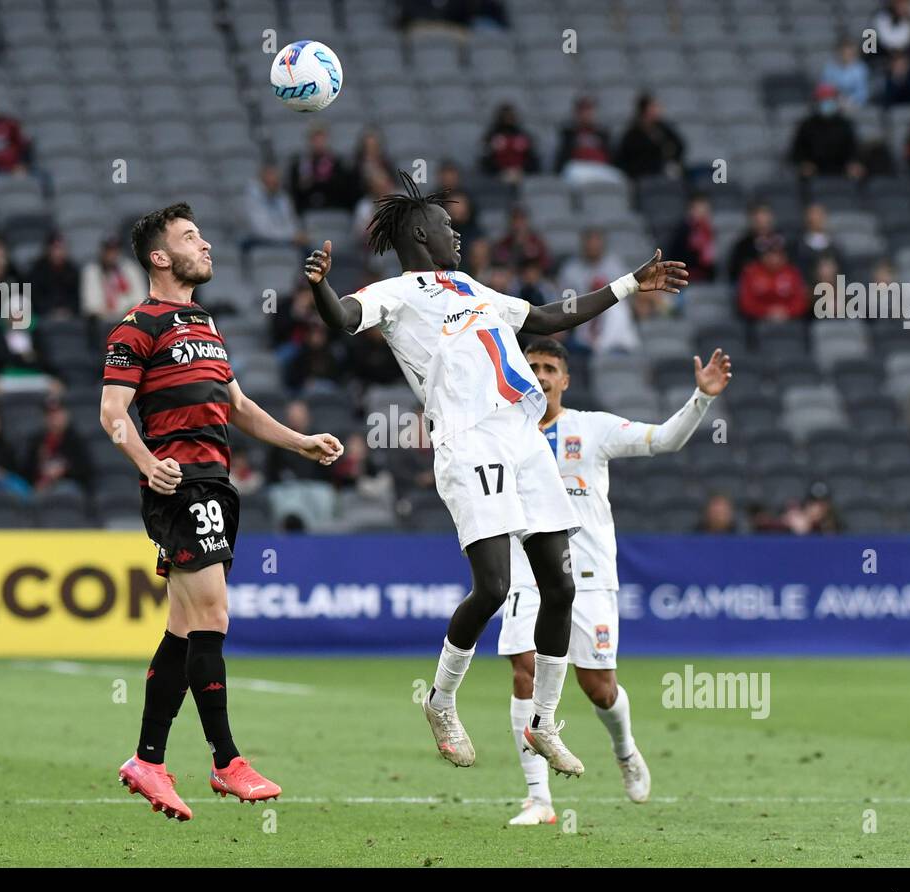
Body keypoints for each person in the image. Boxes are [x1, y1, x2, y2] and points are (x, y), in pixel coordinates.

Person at [303, 170, 689, 777]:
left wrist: (628, 284)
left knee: (560, 586)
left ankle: (543, 722)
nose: (457, 234)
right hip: (467, 441)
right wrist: (322, 289)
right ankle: (441, 700)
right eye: (447, 226)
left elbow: (548, 317)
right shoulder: (397, 293)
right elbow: (342, 315)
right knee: (494, 587)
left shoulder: (472, 288)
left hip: (523, 437)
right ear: (421, 232)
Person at [101, 203, 343, 820]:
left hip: (217, 484)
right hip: (181, 487)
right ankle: (226, 760)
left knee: (184, 630)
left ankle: (148, 761)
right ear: (160, 257)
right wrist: (146, 461)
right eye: (190, 238)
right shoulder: (137, 327)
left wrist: (300, 442)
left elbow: (236, 405)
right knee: (213, 614)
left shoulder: (205, 323)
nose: (204, 245)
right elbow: (112, 415)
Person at [499, 337, 729, 824]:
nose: (540, 375)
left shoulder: (593, 429)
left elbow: (664, 439)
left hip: (588, 577)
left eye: (548, 368)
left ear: (565, 379)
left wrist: (702, 397)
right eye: (532, 366)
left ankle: (624, 748)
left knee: (599, 688)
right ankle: (538, 799)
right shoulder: (504, 433)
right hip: (527, 573)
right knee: (525, 668)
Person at [557, 229, 638, 352]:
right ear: (583, 245)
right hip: (582, 320)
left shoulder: (614, 265)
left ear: (602, 245)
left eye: (596, 243)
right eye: (589, 244)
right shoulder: (571, 270)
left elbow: (627, 298)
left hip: (610, 321)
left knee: (618, 308)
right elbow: (566, 305)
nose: (593, 247)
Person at [790, 84, 862, 179]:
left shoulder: (845, 125)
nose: (826, 103)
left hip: (842, 170)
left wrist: (853, 164)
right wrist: (804, 164)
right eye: (823, 100)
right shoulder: (806, 125)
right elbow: (797, 152)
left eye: (829, 99)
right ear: (816, 102)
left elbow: (853, 150)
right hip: (814, 170)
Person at [553, 95, 624, 186]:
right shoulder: (569, 133)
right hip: (578, 167)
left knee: (620, 178)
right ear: (577, 113)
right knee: (572, 173)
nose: (586, 114)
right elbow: (562, 158)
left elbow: (611, 156)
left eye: (589, 110)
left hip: (600, 168)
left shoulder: (602, 134)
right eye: (583, 111)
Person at [24, 397, 91, 492]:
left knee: (65, 489)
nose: (54, 419)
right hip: (39, 487)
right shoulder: (37, 440)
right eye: (49, 415)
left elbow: (86, 471)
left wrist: (64, 470)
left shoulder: (75, 440)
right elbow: (26, 470)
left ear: (66, 415)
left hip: (67, 486)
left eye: (57, 414)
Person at [615, 92, 685, 180]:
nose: (659, 109)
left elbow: (679, 145)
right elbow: (627, 159)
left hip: (663, 172)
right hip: (642, 176)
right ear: (645, 109)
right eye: (654, 106)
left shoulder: (663, 128)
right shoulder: (632, 133)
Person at [738, 236, 809, 323]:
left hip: (789, 320)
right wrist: (766, 311)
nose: (773, 258)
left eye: (777, 254)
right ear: (762, 256)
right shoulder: (751, 272)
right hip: (757, 321)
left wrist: (787, 311)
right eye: (769, 254)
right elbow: (746, 302)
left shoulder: (793, 273)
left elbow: (801, 301)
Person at [81, 235, 147, 324]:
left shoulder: (131, 269)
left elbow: (141, 300)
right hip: (101, 323)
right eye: (108, 250)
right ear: (101, 251)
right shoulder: (92, 271)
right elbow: (90, 306)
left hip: (129, 321)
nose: (111, 254)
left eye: (115, 250)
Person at [244, 162, 304, 252]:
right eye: (270, 176)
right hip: (259, 241)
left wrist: (293, 235)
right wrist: (290, 236)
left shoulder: (283, 197)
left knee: (311, 252)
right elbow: (261, 231)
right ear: (262, 178)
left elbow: (291, 222)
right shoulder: (251, 198)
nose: (274, 181)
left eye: (276, 179)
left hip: (283, 240)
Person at [481, 103, 540, 184]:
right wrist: (501, 171)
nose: (508, 119)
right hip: (498, 174)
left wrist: (521, 170)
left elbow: (532, 158)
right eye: (505, 116)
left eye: (511, 116)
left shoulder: (523, 136)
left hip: (520, 174)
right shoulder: (491, 136)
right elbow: (486, 159)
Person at [26, 231, 81, 320]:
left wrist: (66, 311)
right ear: (48, 249)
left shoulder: (73, 271)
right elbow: (34, 299)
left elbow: (76, 300)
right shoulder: (37, 271)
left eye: (61, 248)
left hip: (69, 317)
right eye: (55, 248)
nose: (58, 252)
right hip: (43, 317)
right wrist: (52, 312)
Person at [663, 193, 716, 282]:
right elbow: (675, 257)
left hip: (704, 277)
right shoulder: (681, 231)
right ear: (690, 210)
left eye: (706, 211)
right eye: (699, 210)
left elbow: (710, 261)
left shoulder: (708, 231)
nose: (703, 214)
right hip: (683, 276)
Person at [822, 38, 871, 108]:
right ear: (839, 53)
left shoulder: (861, 69)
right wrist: (837, 99)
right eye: (844, 53)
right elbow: (825, 88)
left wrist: (850, 100)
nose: (847, 56)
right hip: (834, 103)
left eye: (850, 54)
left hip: (855, 105)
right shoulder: (829, 68)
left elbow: (862, 92)